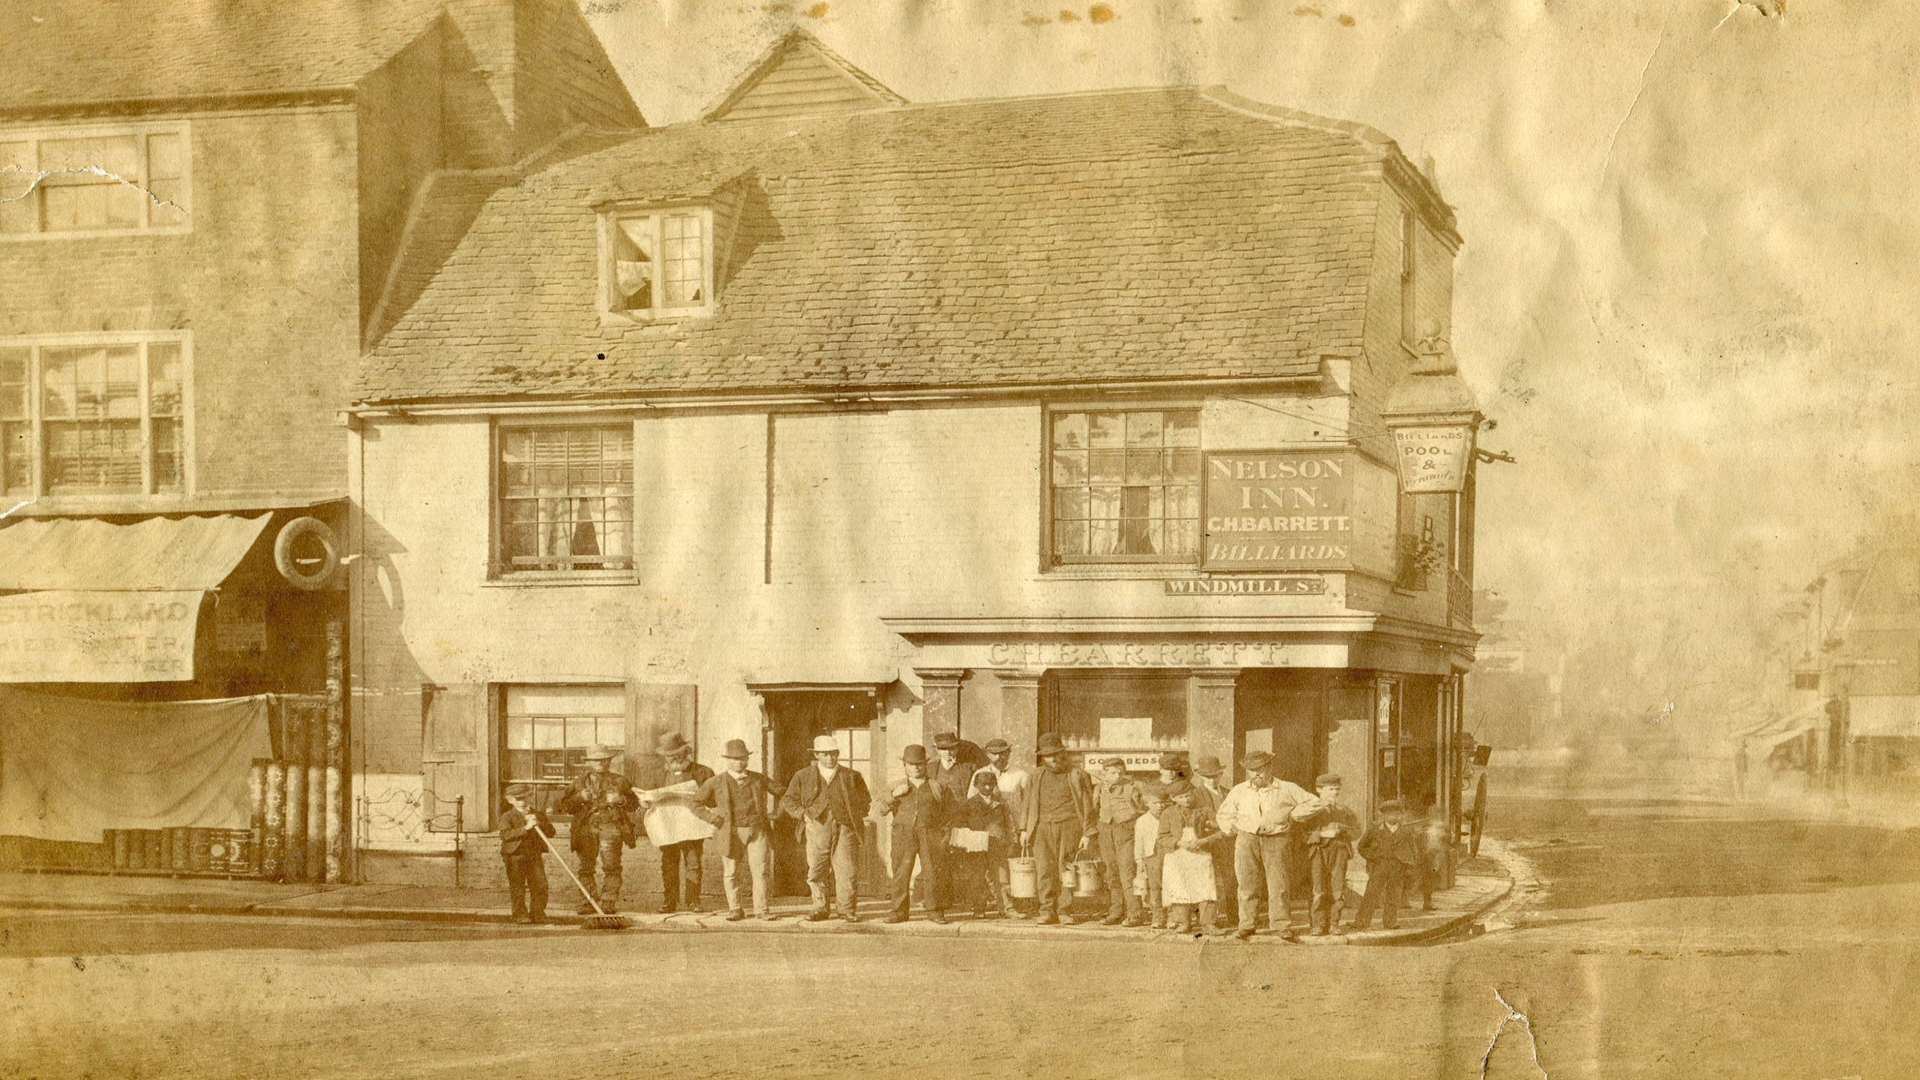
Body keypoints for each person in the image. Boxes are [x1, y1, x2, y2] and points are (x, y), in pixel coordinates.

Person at [1215, 750, 1315, 941]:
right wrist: (1233, 828)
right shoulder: (1239, 790)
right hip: (1247, 838)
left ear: (1269, 768)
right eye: (1251, 771)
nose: (1255, 775)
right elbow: (1224, 814)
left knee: (1279, 882)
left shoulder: (1286, 788)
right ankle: (1246, 924)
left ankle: (1281, 924)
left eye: (1259, 770)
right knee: (1246, 883)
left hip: (1277, 838)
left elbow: (1314, 802)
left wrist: (1294, 815)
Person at [780, 733, 872, 922]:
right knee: (817, 868)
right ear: (816, 755)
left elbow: (865, 800)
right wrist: (803, 814)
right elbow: (788, 800)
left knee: (847, 869)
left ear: (837, 754)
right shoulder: (803, 776)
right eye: (824, 754)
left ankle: (846, 909)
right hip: (816, 826)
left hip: (845, 827)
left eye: (833, 754)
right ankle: (820, 908)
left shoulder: (851, 775)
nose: (829, 758)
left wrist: (852, 816)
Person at [695, 739, 783, 922]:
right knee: (731, 872)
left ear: (747, 759)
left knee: (760, 871)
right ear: (727, 760)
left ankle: (762, 909)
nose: (739, 763)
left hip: (757, 831)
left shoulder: (759, 778)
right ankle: (735, 908)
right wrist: (713, 819)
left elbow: (784, 793)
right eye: (735, 759)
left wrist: (777, 813)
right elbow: (695, 803)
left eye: (743, 758)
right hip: (730, 833)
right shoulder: (716, 781)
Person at [1020, 732, 1096, 926]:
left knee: (1066, 868)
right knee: (1045, 869)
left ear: (1063, 754)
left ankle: (1065, 910)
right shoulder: (1035, 776)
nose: (1053, 759)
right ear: (1042, 757)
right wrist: (1023, 829)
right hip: (1041, 827)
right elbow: (1027, 804)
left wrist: (1088, 832)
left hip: (1069, 826)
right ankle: (1046, 910)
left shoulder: (1077, 774)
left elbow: (1088, 805)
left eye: (1056, 754)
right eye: (1048, 756)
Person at [636, 732, 714, 914]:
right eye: (670, 756)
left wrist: (700, 796)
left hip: (692, 823)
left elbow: (713, 799)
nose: (674, 758)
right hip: (667, 824)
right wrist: (644, 801)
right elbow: (645, 796)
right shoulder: (656, 774)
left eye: (678, 753)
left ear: (686, 751)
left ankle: (693, 901)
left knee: (693, 862)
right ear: (664, 756)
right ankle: (669, 901)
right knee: (669, 863)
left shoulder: (703, 772)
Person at [555, 745, 638, 914]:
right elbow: (563, 806)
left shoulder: (621, 781)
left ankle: (608, 901)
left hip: (611, 827)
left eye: (604, 759)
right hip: (586, 828)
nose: (601, 763)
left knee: (611, 866)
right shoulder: (578, 782)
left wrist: (620, 799)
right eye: (596, 760)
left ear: (609, 761)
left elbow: (634, 804)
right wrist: (579, 798)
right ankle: (588, 901)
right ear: (589, 762)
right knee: (586, 867)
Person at [883, 744, 951, 924]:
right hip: (902, 834)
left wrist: (944, 834)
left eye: (919, 764)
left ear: (926, 764)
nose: (916, 768)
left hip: (930, 833)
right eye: (911, 764)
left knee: (932, 872)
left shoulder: (937, 786)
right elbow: (880, 809)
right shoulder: (895, 786)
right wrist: (894, 796)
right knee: (901, 872)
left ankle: (934, 911)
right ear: (904, 765)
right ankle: (898, 911)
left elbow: (949, 812)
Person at [1156, 779, 1227, 934]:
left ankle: (1208, 923)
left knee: (1206, 887)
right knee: (1180, 886)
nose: (1186, 800)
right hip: (1178, 855)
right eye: (1181, 797)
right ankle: (1183, 922)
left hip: (1201, 854)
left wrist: (1203, 841)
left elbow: (1222, 831)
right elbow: (1162, 837)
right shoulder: (1168, 814)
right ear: (1173, 798)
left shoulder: (1205, 810)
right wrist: (1179, 843)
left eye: (1188, 796)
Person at [1297, 773, 1359, 935]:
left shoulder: (1345, 811)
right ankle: (1317, 924)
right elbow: (1300, 834)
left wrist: (1341, 828)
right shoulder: (1309, 811)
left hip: (1339, 851)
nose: (1335, 793)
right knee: (1318, 889)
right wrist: (1322, 834)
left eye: (1337, 789)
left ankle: (1334, 923)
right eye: (1331, 789)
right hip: (1317, 852)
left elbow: (1356, 832)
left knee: (1337, 889)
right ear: (1319, 790)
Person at [951, 769, 1016, 918]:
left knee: (1002, 878)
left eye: (991, 784)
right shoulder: (969, 804)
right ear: (976, 785)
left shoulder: (1001, 803)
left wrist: (1011, 842)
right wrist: (969, 836)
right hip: (976, 848)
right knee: (977, 878)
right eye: (983, 784)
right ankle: (979, 909)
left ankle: (1007, 908)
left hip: (997, 846)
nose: (987, 788)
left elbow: (1009, 824)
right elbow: (960, 824)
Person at [1092, 756, 1148, 927]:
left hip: (1126, 830)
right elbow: (1095, 808)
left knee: (1127, 872)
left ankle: (1135, 913)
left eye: (1120, 772)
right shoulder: (1100, 788)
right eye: (1112, 772)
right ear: (1104, 773)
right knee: (1111, 872)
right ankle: (1116, 911)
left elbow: (1143, 808)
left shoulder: (1134, 787)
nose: (1117, 775)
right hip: (1106, 830)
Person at [976, 738, 1028, 917]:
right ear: (988, 754)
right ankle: (994, 905)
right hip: (987, 831)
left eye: (1003, 753)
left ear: (1009, 753)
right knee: (987, 871)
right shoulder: (980, 773)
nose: (999, 757)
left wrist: (1023, 829)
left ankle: (1011, 906)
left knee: (1010, 869)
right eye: (994, 753)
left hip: (1012, 830)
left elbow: (1028, 804)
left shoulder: (1020, 775)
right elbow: (971, 801)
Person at [1353, 799, 1422, 930]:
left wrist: (1409, 865)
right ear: (1383, 815)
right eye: (1389, 814)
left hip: (1398, 867)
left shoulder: (1406, 831)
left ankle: (1390, 922)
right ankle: (1361, 922)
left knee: (1394, 895)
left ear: (1400, 815)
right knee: (1371, 893)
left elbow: (1413, 850)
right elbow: (1362, 847)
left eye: (1396, 814)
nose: (1393, 817)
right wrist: (1374, 856)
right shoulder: (1375, 829)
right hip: (1379, 865)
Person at [1191, 753, 1237, 928]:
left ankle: (1234, 916)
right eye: (1207, 776)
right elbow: (1195, 820)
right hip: (1206, 843)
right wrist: (1212, 824)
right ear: (1201, 776)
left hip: (1228, 843)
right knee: (1207, 881)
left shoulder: (1229, 793)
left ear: (1220, 774)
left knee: (1231, 879)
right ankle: (1207, 918)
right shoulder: (1195, 795)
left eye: (1215, 775)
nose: (1212, 779)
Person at [500, 783, 556, 924]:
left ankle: (538, 913)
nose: (523, 801)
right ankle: (519, 914)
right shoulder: (507, 816)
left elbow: (551, 832)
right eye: (518, 798)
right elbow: (505, 835)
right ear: (510, 800)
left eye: (525, 797)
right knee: (518, 886)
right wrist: (526, 827)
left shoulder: (537, 814)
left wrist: (540, 823)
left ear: (530, 797)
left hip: (533, 854)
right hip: (514, 855)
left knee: (540, 885)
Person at [1134, 785, 1168, 928]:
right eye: (1155, 803)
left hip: (1167, 855)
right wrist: (1139, 860)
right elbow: (1139, 841)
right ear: (1147, 804)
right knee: (1154, 887)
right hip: (1151, 855)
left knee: (1169, 885)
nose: (1159, 806)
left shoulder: (1168, 816)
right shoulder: (1142, 821)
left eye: (1161, 803)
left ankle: (1172, 916)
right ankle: (1157, 916)